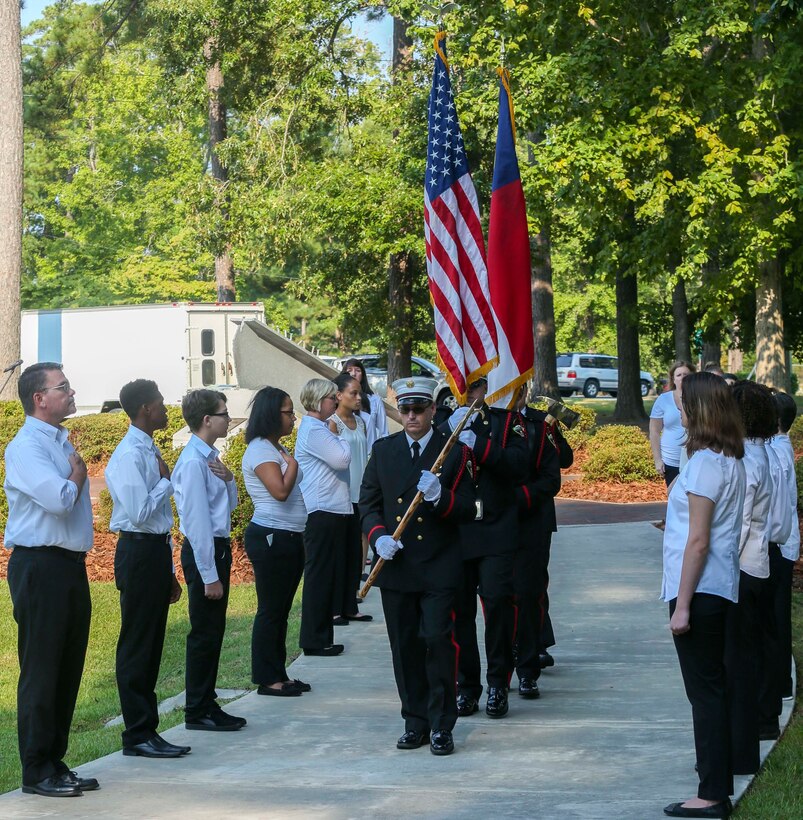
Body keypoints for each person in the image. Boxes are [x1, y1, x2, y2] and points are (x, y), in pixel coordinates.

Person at [359, 376, 476, 755]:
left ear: (432, 410)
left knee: (438, 640)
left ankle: (442, 724)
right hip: (398, 565)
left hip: (439, 565)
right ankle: (415, 721)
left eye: (419, 409)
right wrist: (378, 537)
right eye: (405, 409)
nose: (412, 416)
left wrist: (441, 496)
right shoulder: (385, 449)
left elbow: (470, 509)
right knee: (405, 646)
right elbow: (369, 503)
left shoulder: (454, 451)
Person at [4, 363, 98, 797]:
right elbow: (60, 500)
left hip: (68, 566)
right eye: (63, 387)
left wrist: (73, 472)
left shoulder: (59, 441)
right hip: (40, 566)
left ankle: (55, 761)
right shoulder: (26, 447)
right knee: (42, 670)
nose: (71, 391)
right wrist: (77, 475)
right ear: (39, 399)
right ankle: (36, 770)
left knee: (67, 667)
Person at [661, 371, 745, 819]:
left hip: (700, 590)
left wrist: (684, 604)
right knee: (713, 689)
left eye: (682, 399)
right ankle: (716, 782)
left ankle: (711, 794)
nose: (678, 405)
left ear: (699, 409)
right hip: (715, 587)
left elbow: (698, 540)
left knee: (705, 694)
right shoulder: (727, 458)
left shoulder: (706, 464)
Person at [105, 379, 190, 759]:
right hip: (137, 553)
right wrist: (166, 482)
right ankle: (137, 734)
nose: (165, 408)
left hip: (153, 553)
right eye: (159, 403)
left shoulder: (149, 448)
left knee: (153, 644)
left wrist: (168, 567)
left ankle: (148, 730)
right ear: (144, 410)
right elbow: (139, 512)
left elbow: (157, 523)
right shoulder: (128, 455)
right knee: (138, 646)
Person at [439, 375, 529, 720]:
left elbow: (519, 467)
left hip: (495, 529)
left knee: (497, 606)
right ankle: (467, 686)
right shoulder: (442, 423)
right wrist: (448, 435)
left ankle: (498, 683)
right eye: (464, 385)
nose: (469, 392)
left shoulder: (508, 423)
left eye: (476, 385)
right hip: (457, 530)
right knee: (459, 612)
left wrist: (479, 444)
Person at [172, 389, 245, 731]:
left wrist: (230, 480)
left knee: (214, 630)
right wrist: (209, 575)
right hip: (206, 550)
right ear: (206, 420)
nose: (228, 418)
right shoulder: (192, 461)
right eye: (223, 413)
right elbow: (198, 522)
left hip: (216, 547)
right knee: (204, 631)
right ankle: (197, 709)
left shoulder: (209, 457)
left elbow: (225, 508)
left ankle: (207, 702)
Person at [241, 386, 310, 696]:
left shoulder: (274, 447)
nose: (292, 417)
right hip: (271, 535)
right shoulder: (259, 450)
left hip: (288, 536)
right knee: (270, 609)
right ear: (271, 414)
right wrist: (293, 465)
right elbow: (280, 491)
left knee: (281, 609)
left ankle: (279, 672)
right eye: (287, 412)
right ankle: (268, 679)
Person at [726, 380, 775, 776]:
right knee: (750, 654)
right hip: (757, 564)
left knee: (738, 662)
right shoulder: (763, 454)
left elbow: (739, 524)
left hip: (741, 566)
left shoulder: (748, 460)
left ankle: (742, 748)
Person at [295, 378, 352, 656]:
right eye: (331, 397)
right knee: (319, 576)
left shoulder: (320, 428)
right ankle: (314, 639)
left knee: (327, 575)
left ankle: (322, 636)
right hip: (321, 509)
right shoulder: (316, 430)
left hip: (331, 508)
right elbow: (342, 459)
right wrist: (341, 437)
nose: (336, 401)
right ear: (318, 401)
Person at [512, 385, 562, 698]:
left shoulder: (537, 423)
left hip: (533, 519)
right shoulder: (482, 425)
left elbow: (557, 469)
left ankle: (530, 660)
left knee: (530, 592)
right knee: (500, 597)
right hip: (495, 525)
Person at [328, 372, 372, 622]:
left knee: (356, 550)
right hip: (343, 494)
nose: (358, 397)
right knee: (341, 551)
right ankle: (336, 606)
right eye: (353, 393)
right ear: (339, 396)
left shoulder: (361, 421)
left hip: (360, 491)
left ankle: (351, 603)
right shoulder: (333, 423)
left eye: (360, 392)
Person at [767, 391, 800, 702]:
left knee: (776, 618)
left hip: (778, 545)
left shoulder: (776, 453)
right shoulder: (779, 447)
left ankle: (780, 684)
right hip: (783, 542)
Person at [650, 361, 695, 487]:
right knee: (674, 498)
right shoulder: (663, 400)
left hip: (694, 458)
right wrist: (658, 460)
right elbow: (654, 431)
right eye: (679, 375)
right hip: (671, 460)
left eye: (686, 374)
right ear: (673, 379)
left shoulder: (699, 399)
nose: (682, 378)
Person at [341, 358, 389, 447]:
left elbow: (384, 432)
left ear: (363, 375)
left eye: (358, 370)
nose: (353, 374)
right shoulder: (339, 399)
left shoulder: (375, 400)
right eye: (349, 370)